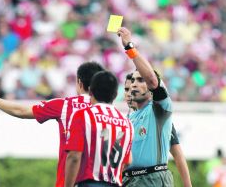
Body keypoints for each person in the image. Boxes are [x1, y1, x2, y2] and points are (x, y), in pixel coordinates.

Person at [0, 62, 104, 187]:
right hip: (101, 181)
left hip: (68, 181)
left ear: (79, 82)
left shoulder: (65, 105)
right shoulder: (109, 113)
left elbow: (22, 111)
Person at [117, 27, 174, 186]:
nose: (135, 84)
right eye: (133, 81)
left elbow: (152, 78)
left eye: (140, 80)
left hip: (152, 178)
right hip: (128, 179)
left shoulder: (160, 108)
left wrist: (129, 47)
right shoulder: (128, 119)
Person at [64, 71, 133, 187]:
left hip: (89, 183)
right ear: (116, 94)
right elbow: (127, 161)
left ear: (90, 91)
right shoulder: (127, 123)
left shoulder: (82, 115)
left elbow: (74, 156)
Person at [124, 73, 192, 187]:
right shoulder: (126, 121)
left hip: (151, 180)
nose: (129, 91)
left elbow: (178, 154)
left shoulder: (157, 118)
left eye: (138, 82)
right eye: (126, 89)